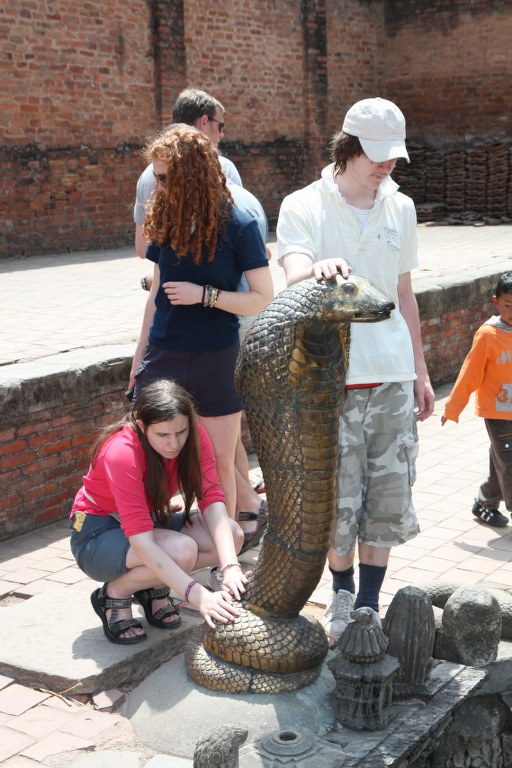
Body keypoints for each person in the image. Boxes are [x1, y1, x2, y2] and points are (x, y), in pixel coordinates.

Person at [276, 97, 435, 647]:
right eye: (377, 155)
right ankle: (340, 590)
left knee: (387, 499)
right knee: (336, 500)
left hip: (390, 375)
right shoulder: (305, 204)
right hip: (328, 382)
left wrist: (420, 368)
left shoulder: (402, 207)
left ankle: (369, 602)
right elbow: (293, 270)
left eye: (394, 156)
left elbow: (404, 293)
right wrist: (315, 270)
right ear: (349, 147)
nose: (387, 166)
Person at [129, 125, 273, 553]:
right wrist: (139, 358)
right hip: (166, 354)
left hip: (216, 357)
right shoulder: (165, 218)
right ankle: (156, 561)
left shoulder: (240, 224)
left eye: (166, 178)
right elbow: (156, 293)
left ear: (193, 175)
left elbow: (262, 298)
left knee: (219, 467)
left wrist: (205, 296)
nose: (158, 186)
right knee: (151, 463)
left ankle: (220, 560)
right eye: (157, 177)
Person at [70, 379, 249, 645]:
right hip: (96, 531)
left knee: (232, 535)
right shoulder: (121, 451)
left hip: (145, 520)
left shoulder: (196, 436)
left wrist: (230, 567)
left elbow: (212, 500)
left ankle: (152, 586)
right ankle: (114, 593)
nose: (174, 444)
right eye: (162, 435)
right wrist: (197, 595)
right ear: (142, 426)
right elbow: (142, 543)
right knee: (181, 550)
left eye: (181, 432)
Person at [134, 88, 242, 260]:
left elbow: (142, 249)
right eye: (220, 125)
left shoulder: (148, 174)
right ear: (204, 122)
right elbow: (242, 242)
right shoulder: (224, 169)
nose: (222, 134)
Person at [442, 272, 512, 528]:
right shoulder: (488, 335)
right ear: (496, 301)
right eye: (508, 306)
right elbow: (469, 373)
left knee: (503, 462)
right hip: (498, 412)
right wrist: (452, 407)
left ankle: (484, 503)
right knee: (510, 461)